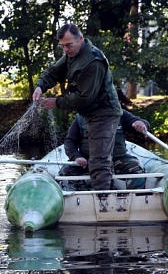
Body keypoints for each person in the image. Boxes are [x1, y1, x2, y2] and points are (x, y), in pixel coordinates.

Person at [32, 23, 122, 190]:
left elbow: (84, 98)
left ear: (80, 38)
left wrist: (56, 102)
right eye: (62, 46)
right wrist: (40, 86)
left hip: (104, 112)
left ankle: (103, 201)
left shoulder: (94, 61)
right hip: (89, 112)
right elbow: (53, 72)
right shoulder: (71, 54)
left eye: (68, 45)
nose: (65, 50)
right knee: (96, 158)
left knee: (99, 161)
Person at [60, 110, 150, 190]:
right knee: (65, 171)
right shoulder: (80, 118)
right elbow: (70, 141)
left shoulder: (120, 114)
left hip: (117, 159)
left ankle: (134, 199)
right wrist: (76, 157)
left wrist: (141, 123)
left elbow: (139, 122)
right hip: (88, 161)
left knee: (136, 168)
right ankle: (83, 195)